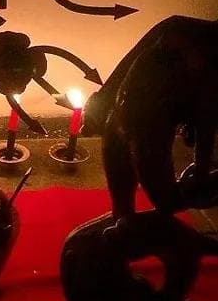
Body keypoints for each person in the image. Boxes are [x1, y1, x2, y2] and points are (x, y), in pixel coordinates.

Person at [83, 16, 218, 217]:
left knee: (165, 201)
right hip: (122, 114)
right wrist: (101, 101)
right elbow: (129, 61)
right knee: (125, 199)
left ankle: (148, 225)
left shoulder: (203, 53)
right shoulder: (176, 27)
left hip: (147, 128)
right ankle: (126, 223)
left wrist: (200, 173)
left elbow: (206, 119)